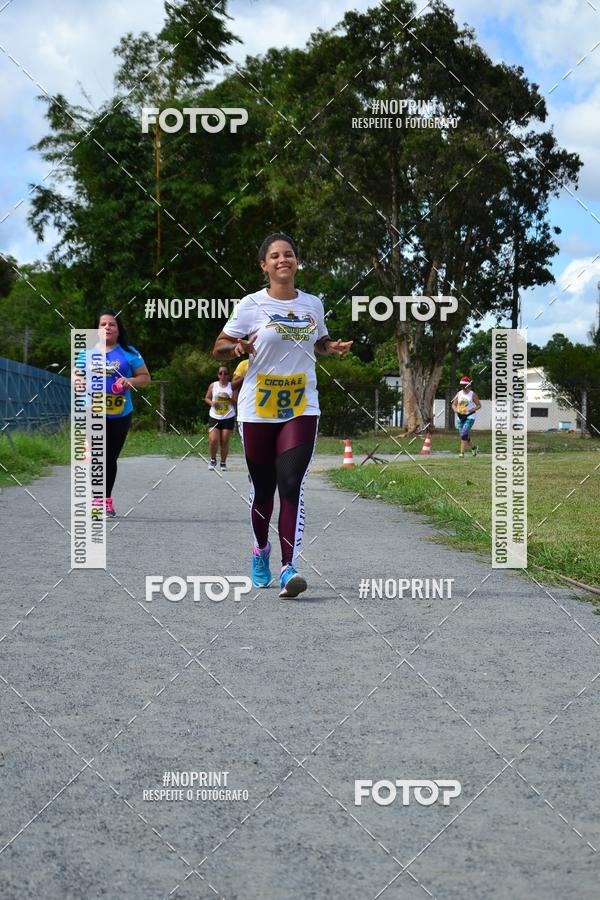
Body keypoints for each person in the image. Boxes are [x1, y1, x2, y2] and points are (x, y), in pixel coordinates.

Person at [212, 232, 353, 598]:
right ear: (264, 265)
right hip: (257, 408)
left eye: (288, 254)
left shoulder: (313, 305)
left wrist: (329, 346)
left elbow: (317, 341)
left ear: (297, 261)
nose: (282, 260)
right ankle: (261, 551)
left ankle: (289, 568)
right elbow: (219, 348)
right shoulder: (250, 305)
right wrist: (237, 346)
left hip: (301, 406)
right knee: (264, 489)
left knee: (290, 483)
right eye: (274, 256)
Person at [74, 309, 151, 516]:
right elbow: (76, 372)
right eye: (103, 324)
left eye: (112, 324)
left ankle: (105, 498)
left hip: (120, 413)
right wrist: (78, 380)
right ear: (96, 329)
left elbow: (145, 378)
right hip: (92, 411)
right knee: (98, 456)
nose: (107, 327)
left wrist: (130, 381)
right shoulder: (87, 351)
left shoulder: (129, 352)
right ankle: (99, 500)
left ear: (118, 330)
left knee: (110, 458)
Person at [205, 365, 236, 471]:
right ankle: (213, 459)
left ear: (228, 375)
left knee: (224, 440)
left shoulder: (232, 386)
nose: (223, 375)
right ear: (218, 375)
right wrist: (212, 403)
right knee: (213, 440)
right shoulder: (213, 385)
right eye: (221, 373)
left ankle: (223, 462)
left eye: (225, 373)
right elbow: (207, 398)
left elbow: (237, 402)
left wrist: (229, 399)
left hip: (228, 416)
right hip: (215, 416)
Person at [451, 376, 481, 457]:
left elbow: (478, 405)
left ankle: (461, 453)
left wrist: (470, 410)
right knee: (463, 435)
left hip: (470, 416)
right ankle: (474, 447)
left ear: (468, 385)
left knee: (464, 434)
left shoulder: (472, 394)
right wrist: (456, 411)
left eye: (464, 385)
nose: (462, 387)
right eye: (461, 385)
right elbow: (453, 404)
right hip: (460, 416)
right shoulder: (459, 394)